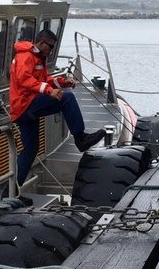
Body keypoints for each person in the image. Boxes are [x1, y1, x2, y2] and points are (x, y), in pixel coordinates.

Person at [10, 29, 105, 188]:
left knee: (31, 149)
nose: (52, 50)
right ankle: (80, 138)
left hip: (24, 108)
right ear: (41, 43)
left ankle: (10, 192)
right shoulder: (25, 56)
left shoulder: (38, 57)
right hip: (25, 105)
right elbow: (24, 80)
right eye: (51, 47)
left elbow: (46, 79)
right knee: (67, 98)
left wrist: (63, 82)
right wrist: (49, 91)